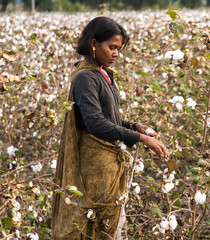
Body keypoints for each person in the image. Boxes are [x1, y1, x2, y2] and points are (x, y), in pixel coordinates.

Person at [51, 16, 168, 240]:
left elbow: (109, 119)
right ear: (94, 44)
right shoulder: (86, 77)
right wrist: (141, 139)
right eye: (112, 47)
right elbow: (95, 123)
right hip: (94, 165)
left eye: (118, 49)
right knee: (92, 223)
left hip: (106, 163)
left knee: (105, 222)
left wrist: (135, 126)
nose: (116, 54)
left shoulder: (103, 74)